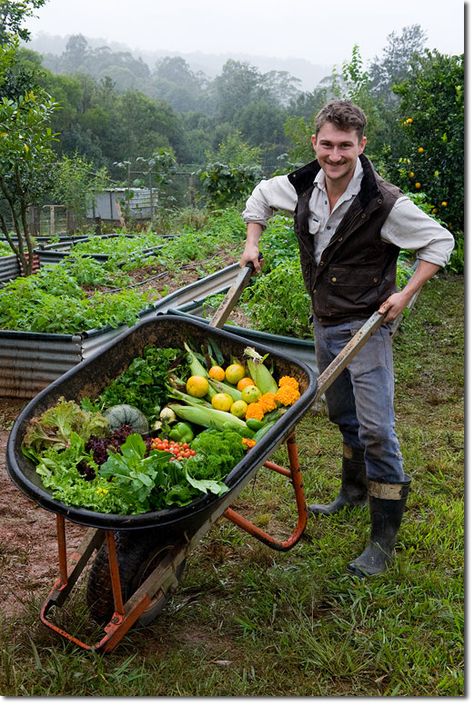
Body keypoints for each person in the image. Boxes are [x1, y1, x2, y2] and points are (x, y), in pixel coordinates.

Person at [240, 100, 454, 577]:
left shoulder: (384, 202)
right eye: (327, 144)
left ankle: (381, 541)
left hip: (367, 325)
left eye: (345, 146)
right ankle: (353, 493)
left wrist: (406, 292)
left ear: (361, 145)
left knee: (377, 428)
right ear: (315, 142)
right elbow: (258, 198)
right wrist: (252, 243)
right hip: (325, 321)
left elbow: (440, 242)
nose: (335, 155)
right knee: (342, 413)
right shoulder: (300, 186)